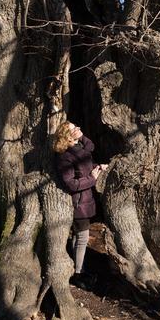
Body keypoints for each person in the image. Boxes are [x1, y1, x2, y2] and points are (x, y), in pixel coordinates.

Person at [53, 121, 107, 287]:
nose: (78, 129)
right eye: (74, 129)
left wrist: (97, 167)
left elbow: (90, 148)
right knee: (82, 238)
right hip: (78, 204)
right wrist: (93, 178)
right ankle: (78, 274)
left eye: (78, 126)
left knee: (78, 237)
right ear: (68, 137)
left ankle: (79, 268)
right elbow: (71, 183)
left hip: (86, 201)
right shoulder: (65, 156)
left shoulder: (80, 150)